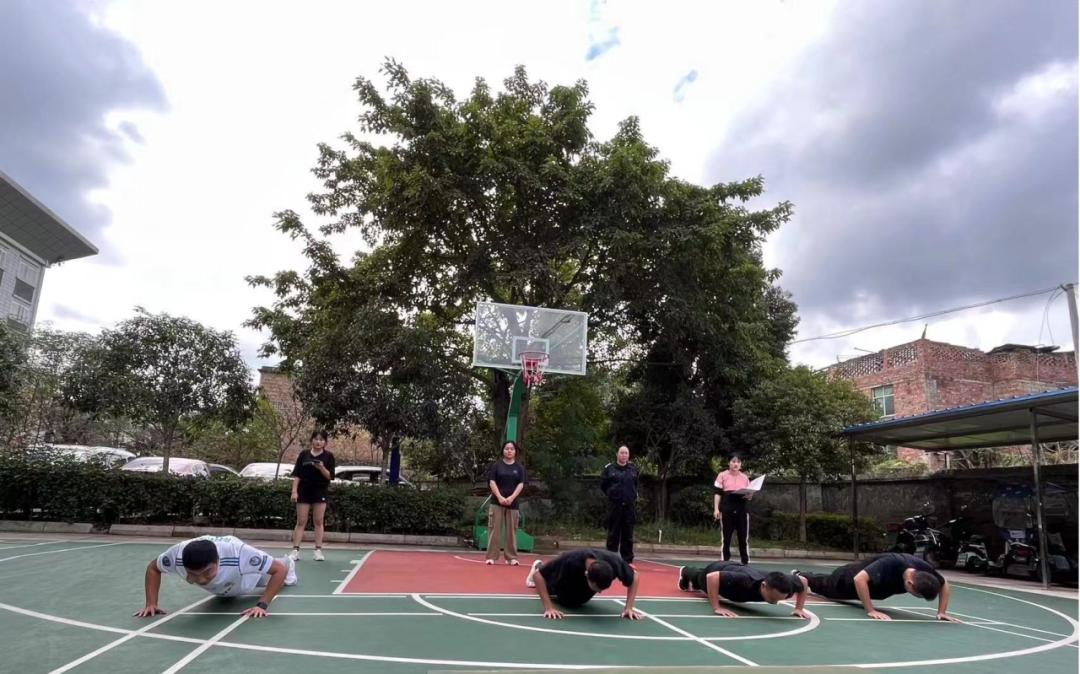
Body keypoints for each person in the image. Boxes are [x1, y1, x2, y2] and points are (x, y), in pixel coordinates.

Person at [134, 535, 297, 618]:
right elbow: (153, 568)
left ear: (218, 560)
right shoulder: (175, 555)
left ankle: (288, 560)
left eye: (206, 572)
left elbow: (279, 570)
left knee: (280, 572)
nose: (201, 580)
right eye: (193, 574)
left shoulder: (238, 553)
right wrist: (151, 603)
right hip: (222, 589)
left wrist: (262, 605)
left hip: (249, 578)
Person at [797, 552, 958, 621]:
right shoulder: (892, 562)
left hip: (875, 587)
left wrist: (941, 612)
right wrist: (871, 610)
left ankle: (805, 577)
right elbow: (859, 580)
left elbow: (944, 583)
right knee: (825, 587)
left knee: (824, 583)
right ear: (910, 584)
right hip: (848, 580)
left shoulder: (923, 569)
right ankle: (800, 577)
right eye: (918, 595)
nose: (917, 597)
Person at [525, 549, 642, 620]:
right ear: (586, 574)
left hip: (579, 590)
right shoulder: (570, 559)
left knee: (576, 603)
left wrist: (629, 608)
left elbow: (635, 576)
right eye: (597, 588)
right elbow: (538, 576)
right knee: (561, 596)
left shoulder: (614, 562)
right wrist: (549, 608)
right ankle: (538, 565)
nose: (600, 592)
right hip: (561, 582)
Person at [677, 561, 810, 618]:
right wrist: (717, 607)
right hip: (717, 569)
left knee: (700, 582)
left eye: (779, 599)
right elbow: (712, 577)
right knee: (699, 580)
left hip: (736, 570)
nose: (775, 602)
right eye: (772, 598)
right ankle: (686, 571)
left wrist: (799, 608)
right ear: (763, 586)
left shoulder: (787, 584)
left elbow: (803, 581)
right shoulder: (746, 580)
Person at [289, 430, 336, 561]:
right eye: (316, 439)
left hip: (320, 491)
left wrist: (321, 468)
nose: (318, 442)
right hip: (304, 491)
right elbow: (297, 474)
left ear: (325, 442)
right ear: (312, 440)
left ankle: (318, 550)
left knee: (319, 521)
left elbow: (330, 476)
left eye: (321, 440)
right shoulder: (304, 454)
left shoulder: (329, 456)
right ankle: (295, 550)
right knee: (301, 521)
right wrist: (294, 491)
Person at [486, 440, 526, 565]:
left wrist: (512, 498)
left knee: (512, 532)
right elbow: (492, 482)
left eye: (511, 449)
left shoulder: (519, 468)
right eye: (507, 448)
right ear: (503, 450)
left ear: (515, 452)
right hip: (496, 503)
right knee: (494, 530)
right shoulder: (496, 466)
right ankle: (491, 557)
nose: (509, 451)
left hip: (513, 504)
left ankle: (511, 558)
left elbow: (521, 484)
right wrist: (499, 497)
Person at [600, 445, 639, 564]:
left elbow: (635, 485)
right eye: (622, 453)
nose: (624, 455)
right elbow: (603, 485)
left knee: (628, 534)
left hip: (629, 506)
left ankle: (627, 561)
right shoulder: (609, 469)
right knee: (613, 533)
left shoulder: (633, 470)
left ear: (629, 455)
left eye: (626, 453)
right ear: (617, 454)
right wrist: (612, 494)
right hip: (615, 506)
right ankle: (610, 559)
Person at [713, 454, 752, 564]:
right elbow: (717, 493)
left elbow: (749, 496)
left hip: (741, 509)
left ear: (741, 464)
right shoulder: (722, 475)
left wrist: (749, 495)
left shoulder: (745, 477)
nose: (736, 464)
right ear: (729, 463)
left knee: (743, 537)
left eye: (738, 462)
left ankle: (745, 562)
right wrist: (716, 509)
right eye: (733, 461)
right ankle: (725, 562)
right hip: (727, 509)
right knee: (726, 538)